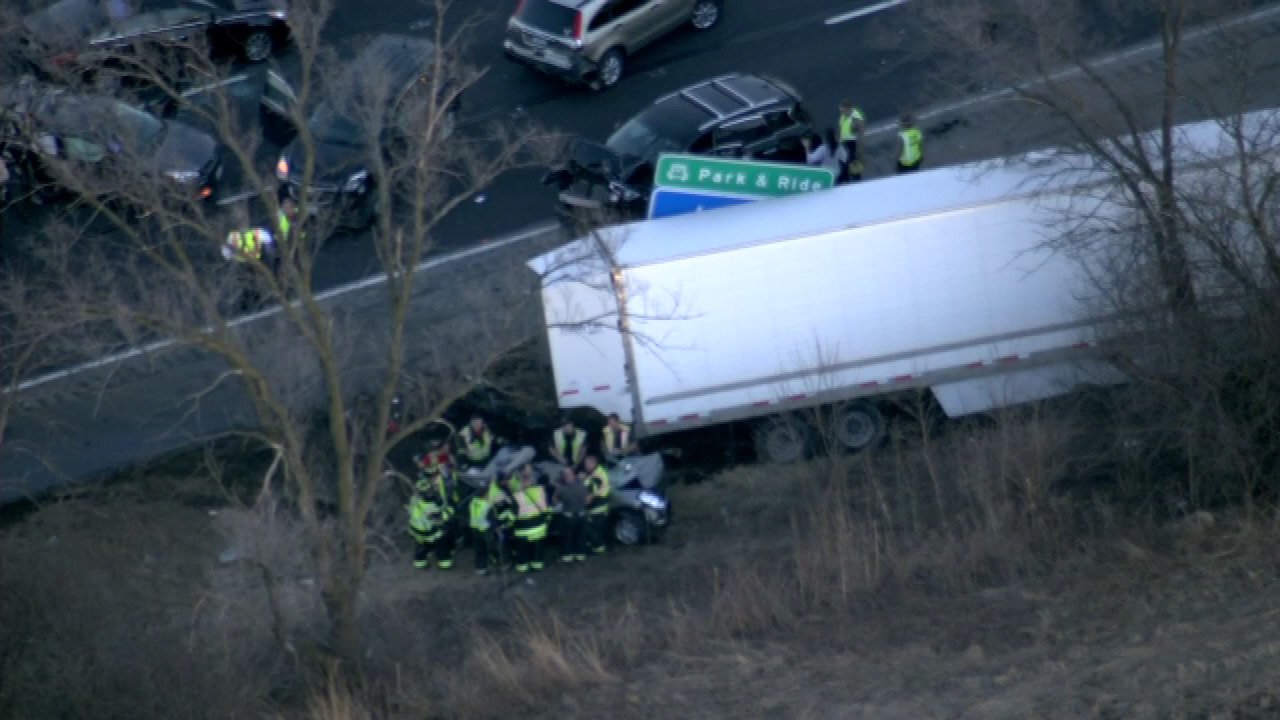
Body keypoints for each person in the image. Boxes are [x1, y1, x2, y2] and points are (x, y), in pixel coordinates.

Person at [508, 463, 549, 573]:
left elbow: (512, 515)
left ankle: (522, 567)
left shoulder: (517, 496)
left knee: (522, 552)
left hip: (523, 531)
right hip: (539, 528)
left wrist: (508, 524)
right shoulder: (540, 490)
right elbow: (546, 509)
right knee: (537, 550)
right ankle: (537, 566)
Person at [468, 477, 513, 575]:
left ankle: (481, 569)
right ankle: (503, 565)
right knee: (495, 548)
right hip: (486, 531)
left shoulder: (473, 502)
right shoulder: (487, 506)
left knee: (480, 550)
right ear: (485, 494)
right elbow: (493, 523)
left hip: (475, 531)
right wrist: (499, 533)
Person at [407, 488, 454, 570]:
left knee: (421, 546)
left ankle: (420, 563)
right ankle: (445, 564)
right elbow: (443, 517)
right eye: (428, 492)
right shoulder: (430, 507)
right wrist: (451, 509)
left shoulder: (414, 499)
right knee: (441, 545)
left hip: (415, 529)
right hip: (429, 532)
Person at [554, 466, 588, 563]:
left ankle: (567, 557)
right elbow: (587, 501)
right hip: (581, 516)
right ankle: (580, 556)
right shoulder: (582, 485)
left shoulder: (561, 488)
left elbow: (555, 501)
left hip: (568, 518)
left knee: (567, 538)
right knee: (580, 536)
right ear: (573, 475)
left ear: (564, 477)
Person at [582, 453, 611, 554]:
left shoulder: (596, 475)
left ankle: (598, 548)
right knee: (597, 528)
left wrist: (587, 499)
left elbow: (592, 493)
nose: (585, 466)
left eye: (587, 464)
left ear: (593, 463)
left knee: (594, 529)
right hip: (600, 506)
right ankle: (595, 546)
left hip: (597, 506)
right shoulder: (598, 471)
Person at [836, 101, 866, 184]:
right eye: (840, 110)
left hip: (853, 145)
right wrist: (837, 141)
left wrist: (859, 151)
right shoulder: (843, 115)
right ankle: (846, 182)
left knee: (852, 169)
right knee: (844, 166)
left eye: (842, 110)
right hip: (844, 144)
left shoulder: (856, 119)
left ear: (848, 108)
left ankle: (842, 183)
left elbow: (861, 136)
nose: (841, 111)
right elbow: (840, 128)